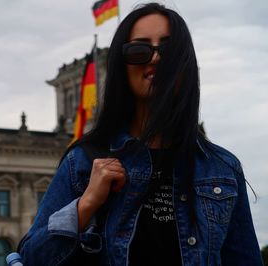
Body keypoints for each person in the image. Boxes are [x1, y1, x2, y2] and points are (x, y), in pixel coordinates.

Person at [19, 2, 263, 265]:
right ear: (121, 68)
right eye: (139, 50)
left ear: (185, 65)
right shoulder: (83, 163)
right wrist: (86, 204)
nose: (156, 58)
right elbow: (31, 258)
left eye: (169, 50)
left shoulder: (222, 168)